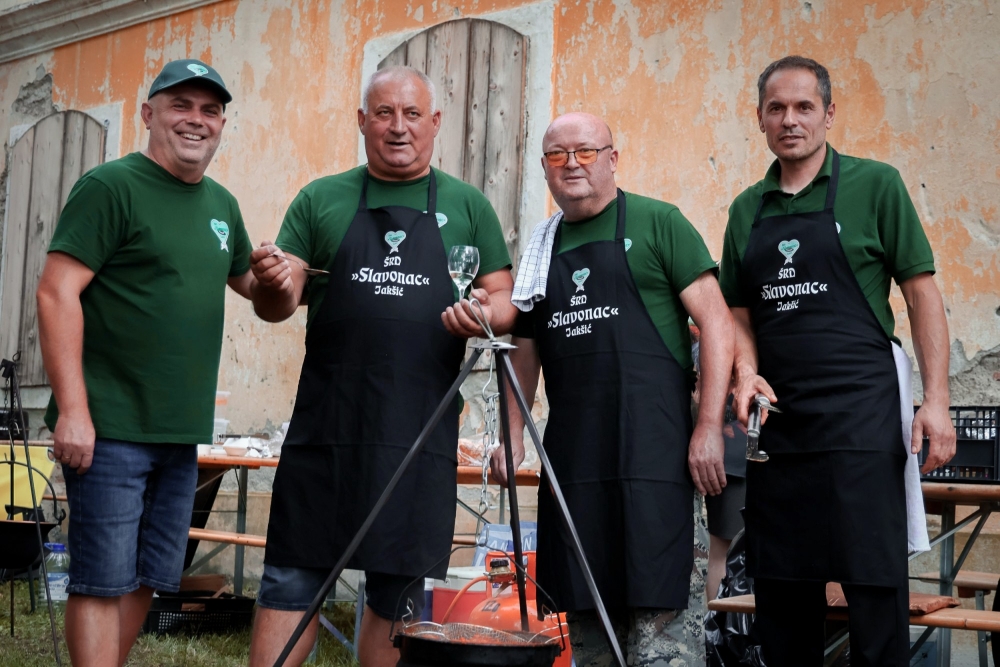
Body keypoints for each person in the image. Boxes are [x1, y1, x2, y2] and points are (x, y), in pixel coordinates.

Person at [247, 66, 516, 667]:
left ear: (435, 123)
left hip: (419, 437)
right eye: (385, 114)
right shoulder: (322, 198)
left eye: (412, 114)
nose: (399, 128)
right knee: (291, 583)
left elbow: (505, 299)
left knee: (399, 599)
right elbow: (278, 302)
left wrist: (483, 313)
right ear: (362, 121)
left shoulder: (467, 204)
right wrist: (273, 281)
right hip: (328, 433)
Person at [719, 56, 956, 666]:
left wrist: (936, 403)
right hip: (779, 430)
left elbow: (922, 293)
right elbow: (739, 313)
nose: (790, 120)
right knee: (783, 589)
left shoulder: (877, 185)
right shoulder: (746, 209)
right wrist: (746, 373)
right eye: (777, 109)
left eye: (803, 107)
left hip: (862, 420)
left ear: (829, 113)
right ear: (761, 120)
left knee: (873, 585)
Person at [494, 112, 734, 666]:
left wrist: (707, 429)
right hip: (575, 464)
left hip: (658, 460)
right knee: (584, 623)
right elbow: (524, 353)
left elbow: (718, 325)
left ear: (612, 158)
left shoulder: (659, 222)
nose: (571, 164)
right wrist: (512, 434)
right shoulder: (540, 249)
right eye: (558, 155)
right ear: (545, 169)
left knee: (662, 635)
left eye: (585, 151)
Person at [36, 59, 252, 666]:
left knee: (148, 578)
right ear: (148, 112)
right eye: (181, 104)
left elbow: (258, 293)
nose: (196, 120)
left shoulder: (222, 206)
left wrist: (290, 272)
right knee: (101, 580)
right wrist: (74, 411)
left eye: (210, 110)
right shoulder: (111, 187)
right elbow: (56, 292)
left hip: (179, 434)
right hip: (109, 426)